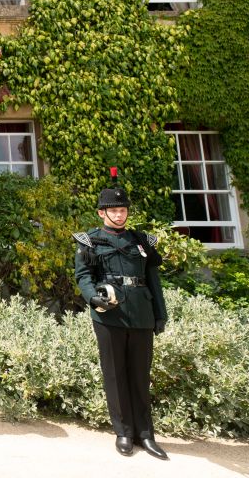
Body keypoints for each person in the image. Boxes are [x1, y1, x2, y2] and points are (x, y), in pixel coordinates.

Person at [73, 175, 169, 460]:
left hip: (141, 313)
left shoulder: (142, 242)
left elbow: (153, 280)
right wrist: (92, 297)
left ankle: (146, 435)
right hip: (108, 315)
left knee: (140, 376)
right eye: (113, 210)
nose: (119, 214)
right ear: (102, 213)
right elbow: (83, 276)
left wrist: (160, 315)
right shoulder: (90, 241)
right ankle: (124, 432)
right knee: (115, 375)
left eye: (123, 210)